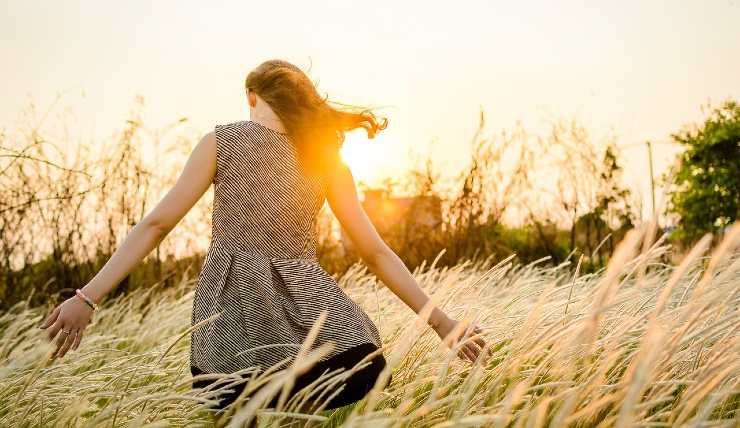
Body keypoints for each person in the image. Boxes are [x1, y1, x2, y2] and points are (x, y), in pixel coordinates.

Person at [38, 59, 489, 418]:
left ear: (252, 96)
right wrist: (442, 324)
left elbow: (157, 226)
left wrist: (88, 297)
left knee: (235, 414)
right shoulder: (325, 161)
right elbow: (375, 252)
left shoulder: (222, 141)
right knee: (307, 408)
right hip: (305, 312)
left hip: (229, 310)